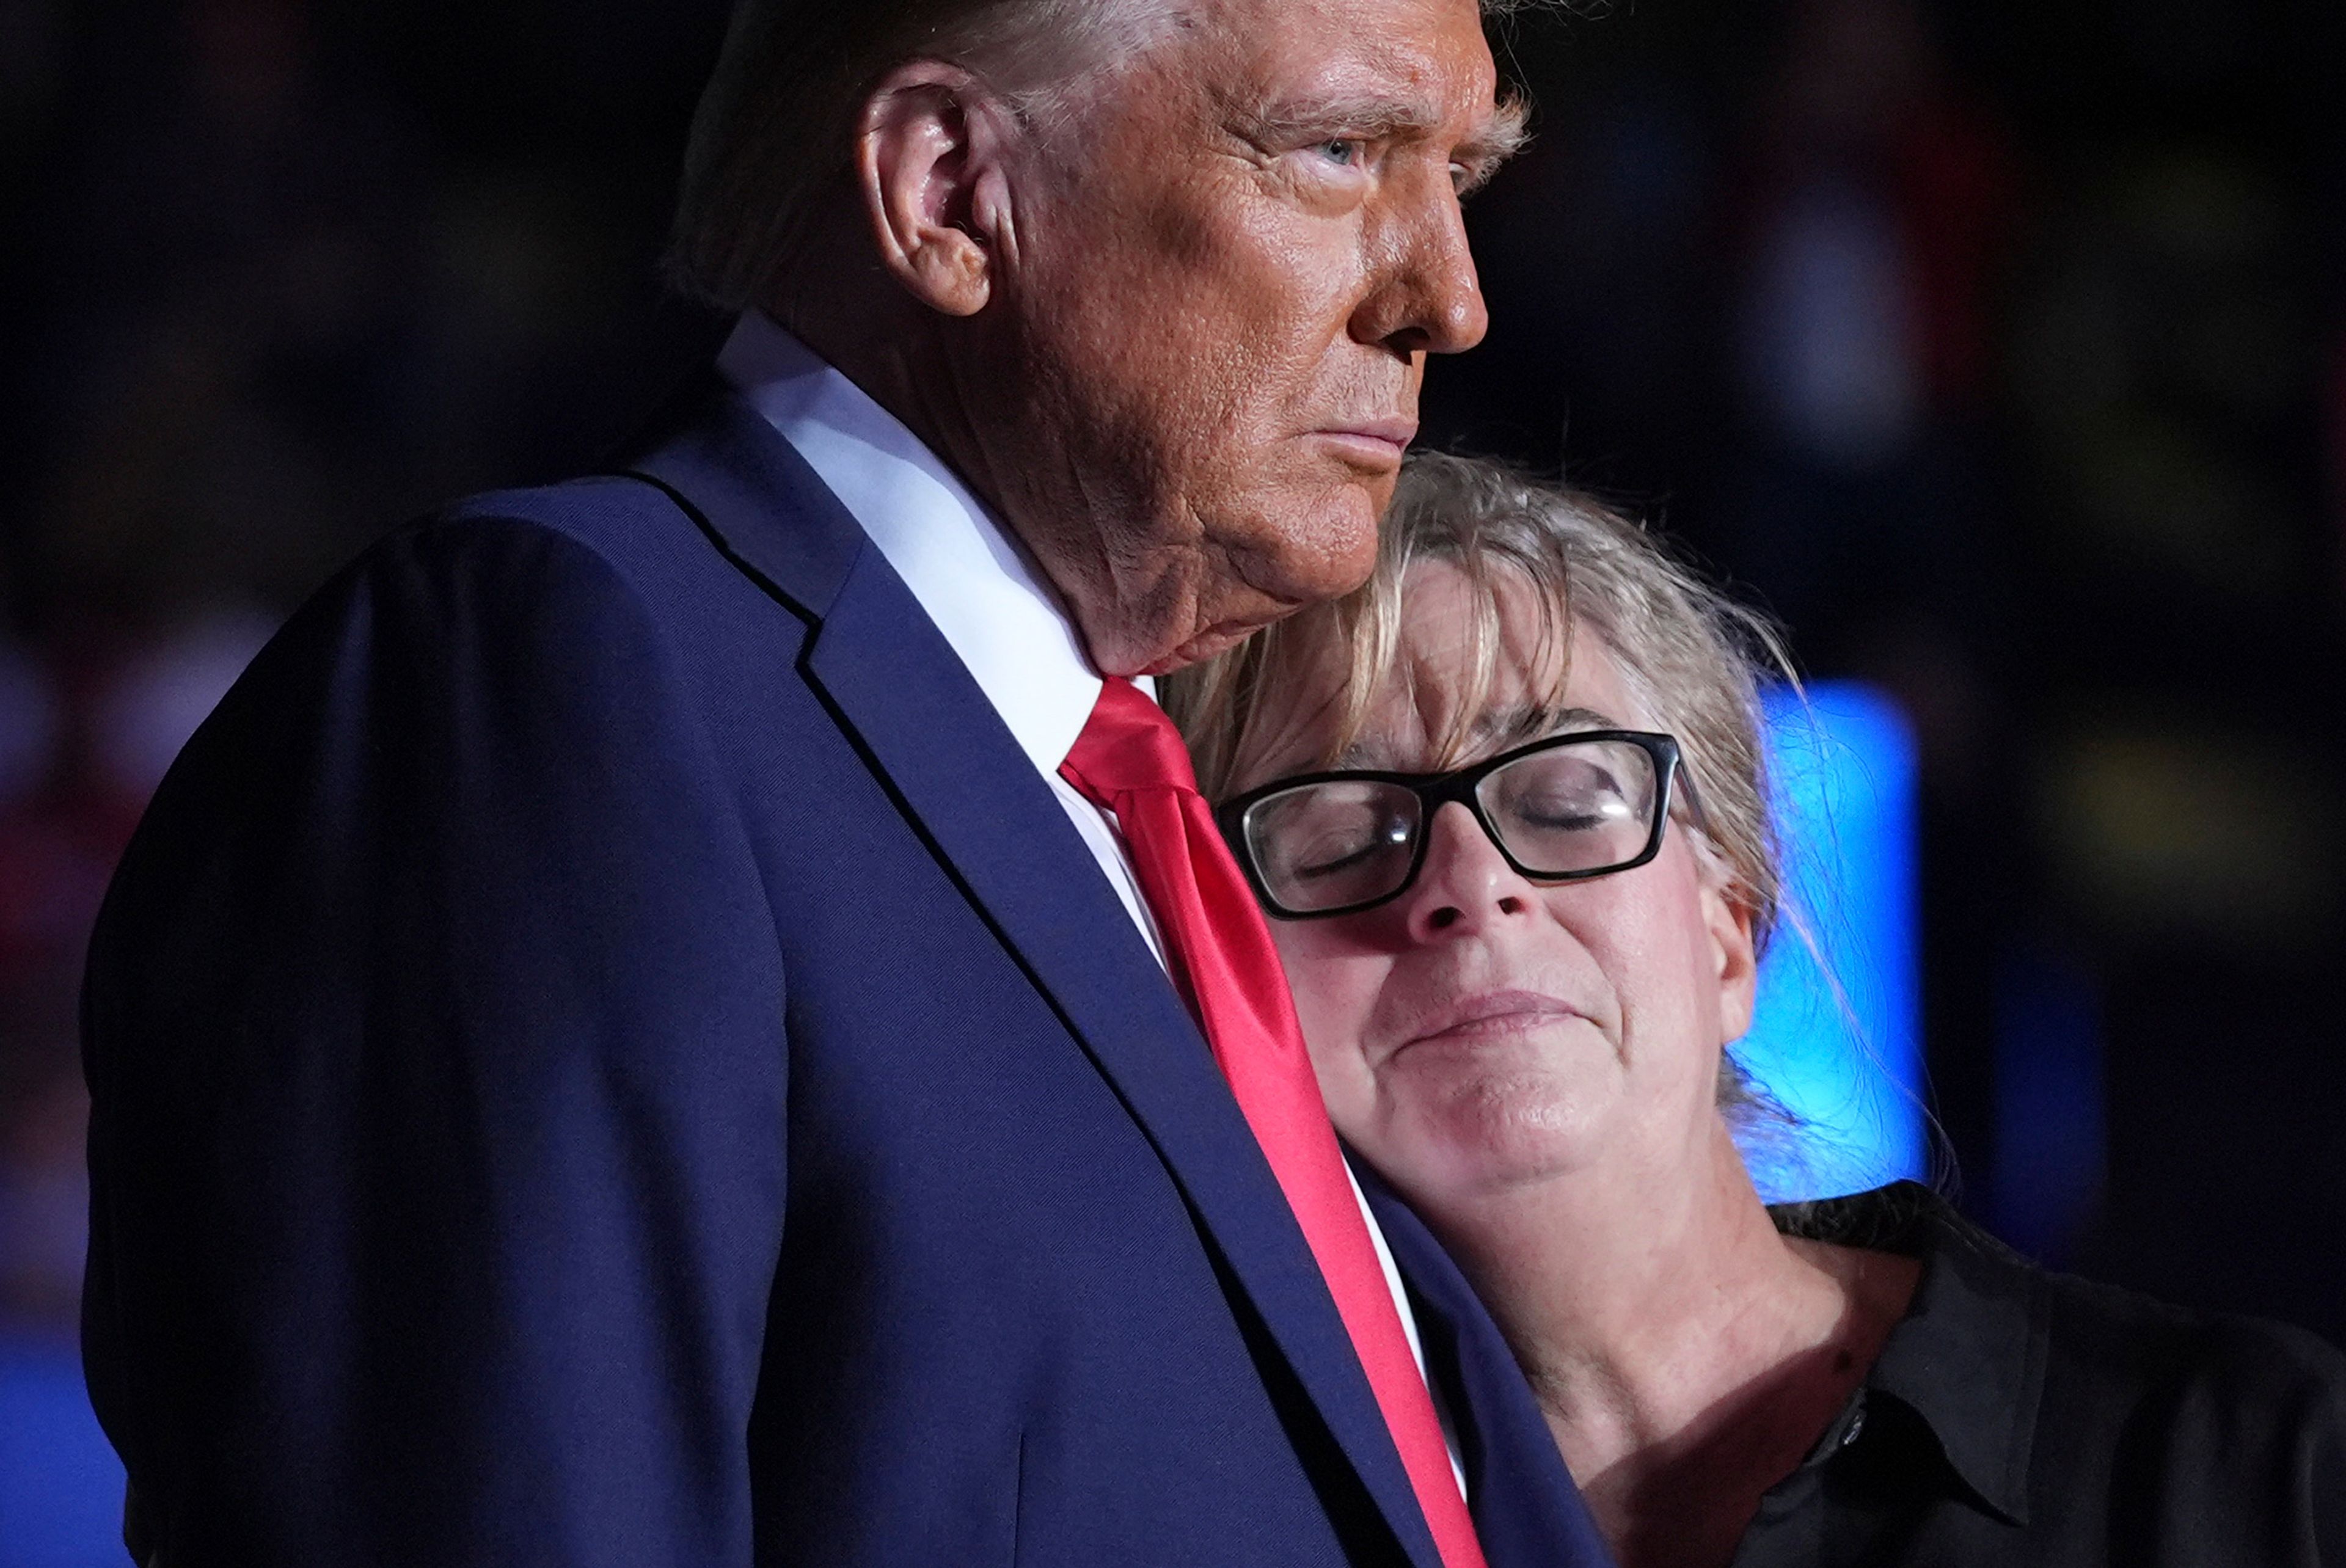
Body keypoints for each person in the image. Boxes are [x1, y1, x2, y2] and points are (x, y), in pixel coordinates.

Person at [79, 5, 1615, 1567]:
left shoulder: (1181, 825)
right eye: (1342, 153)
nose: (1451, 297)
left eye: (1462, 177)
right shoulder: (567, 676)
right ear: (948, 195)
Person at [1168, 451, 2346, 1567]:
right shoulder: (1166, 1519)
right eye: (1342, 838)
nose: (1473, 887)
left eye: (1568, 801)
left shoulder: (2261, 1475)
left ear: (1729, 933)